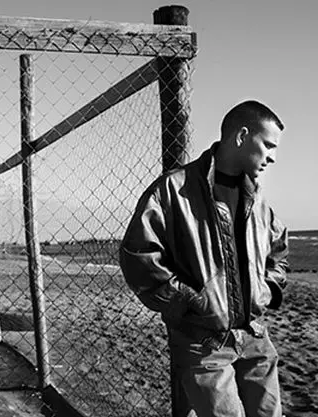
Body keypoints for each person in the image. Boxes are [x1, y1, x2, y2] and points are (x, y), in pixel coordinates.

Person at [119, 100, 289, 417]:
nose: (272, 157)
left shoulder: (257, 195)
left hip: (255, 336)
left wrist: (266, 288)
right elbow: (138, 255)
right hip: (204, 342)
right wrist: (190, 301)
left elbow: (278, 248)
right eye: (268, 145)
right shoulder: (173, 189)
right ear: (242, 136)